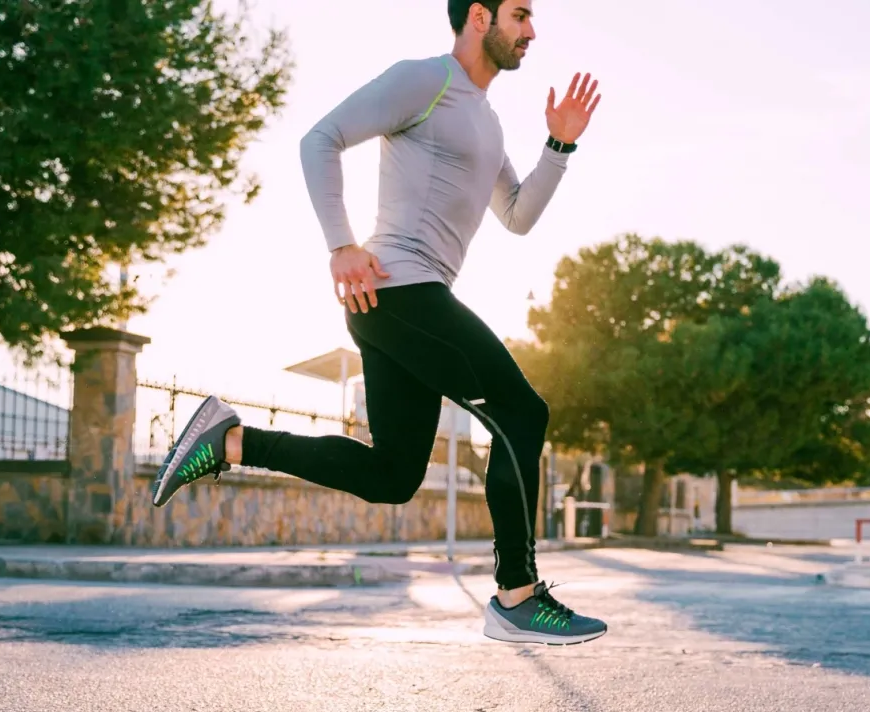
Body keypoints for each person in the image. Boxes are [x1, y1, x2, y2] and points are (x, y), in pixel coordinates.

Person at [150, 0, 606, 646]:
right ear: (479, 17)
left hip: (403, 305)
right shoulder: (426, 79)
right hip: (400, 292)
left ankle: (230, 441)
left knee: (392, 475)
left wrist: (559, 145)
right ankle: (517, 594)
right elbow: (320, 139)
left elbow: (517, 216)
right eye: (520, 15)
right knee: (522, 413)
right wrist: (341, 244)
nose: (532, 31)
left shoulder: (487, 121)